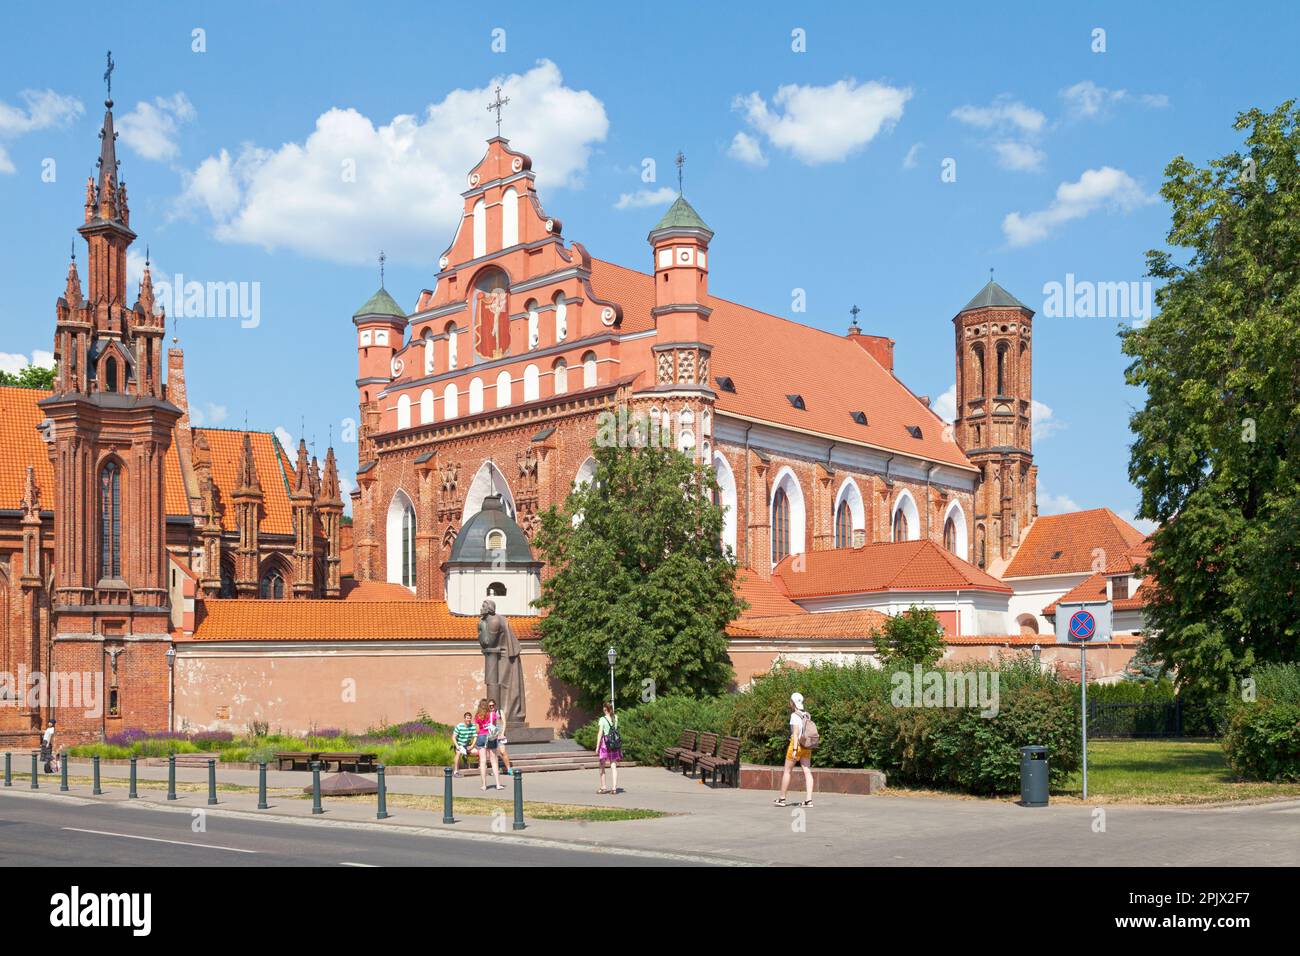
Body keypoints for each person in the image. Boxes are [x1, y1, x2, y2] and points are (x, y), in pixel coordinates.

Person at [774, 692, 814, 808]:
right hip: (806, 745)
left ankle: (782, 799)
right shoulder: (807, 715)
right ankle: (808, 800)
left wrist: (795, 749)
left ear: (792, 702)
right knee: (807, 770)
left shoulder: (794, 715)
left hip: (796, 745)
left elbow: (795, 734)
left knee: (787, 771)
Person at [473, 698, 502, 791]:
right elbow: (494, 726)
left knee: (482, 761)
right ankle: (497, 784)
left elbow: (477, 730)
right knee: (494, 761)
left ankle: (484, 785)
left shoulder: (477, 716)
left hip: (481, 736)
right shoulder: (492, 714)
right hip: (490, 737)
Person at [596, 701, 621, 795]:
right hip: (614, 743)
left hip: (605, 743)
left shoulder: (602, 719)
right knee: (613, 765)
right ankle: (614, 788)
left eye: (604, 708)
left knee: (602, 765)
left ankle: (603, 787)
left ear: (605, 709)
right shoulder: (616, 718)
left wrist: (597, 746)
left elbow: (600, 733)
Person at [488, 698, 512, 775]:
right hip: (491, 736)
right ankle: (496, 770)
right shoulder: (488, 713)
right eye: (490, 706)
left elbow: (504, 723)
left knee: (502, 752)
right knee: (494, 754)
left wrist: (502, 733)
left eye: (492, 705)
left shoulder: (499, 712)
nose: (491, 707)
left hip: (500, 735)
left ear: (495, 705)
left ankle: (509, 769)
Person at [451, 711, 477, 777]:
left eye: (470, 718)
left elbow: (475, 737)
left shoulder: (473, 726)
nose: (468, 719)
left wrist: (472, 746)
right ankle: (455, 772)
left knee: (477, 752)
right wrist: (457, 746)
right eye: (467, 718)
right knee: (458, 753)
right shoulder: (459, 726)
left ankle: (481, 768)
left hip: (467, 745)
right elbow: (453, 737)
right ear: (464, 719)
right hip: (459, 744)